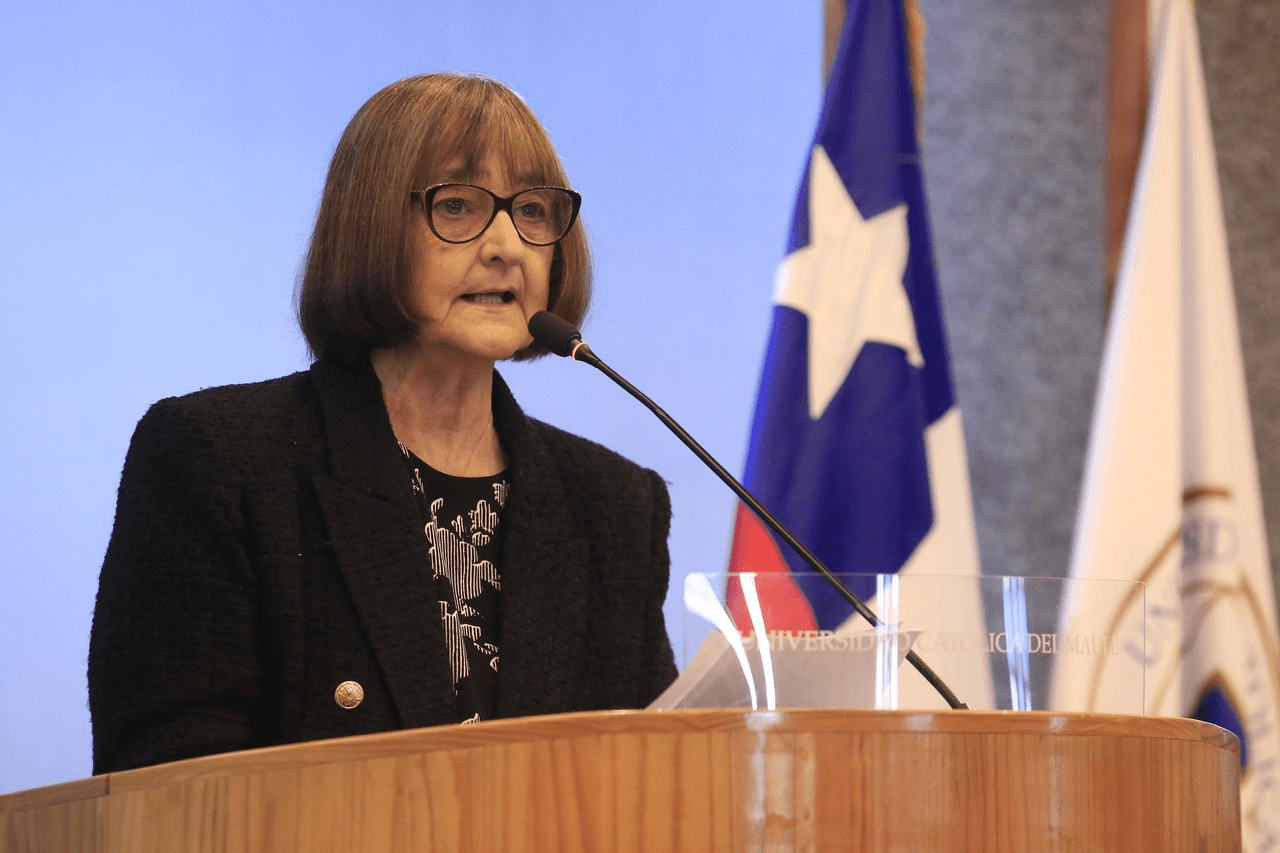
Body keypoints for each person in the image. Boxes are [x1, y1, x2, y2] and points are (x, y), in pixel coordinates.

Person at [88, 73, 678, 774]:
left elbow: (660, 780)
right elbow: (166, 791)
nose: (506, 245)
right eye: (457, 205)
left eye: (531, 210)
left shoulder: (614, 506)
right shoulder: (220, 460)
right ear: (370, 226)